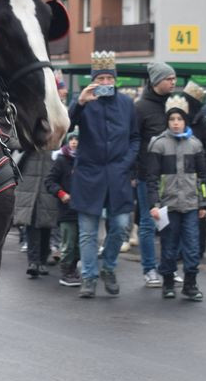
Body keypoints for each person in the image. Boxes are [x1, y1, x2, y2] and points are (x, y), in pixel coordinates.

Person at [68, 51, 140, 299]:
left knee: (120, 227)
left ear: (115, 80)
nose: (106, 83)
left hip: (117, 174)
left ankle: (108, 267)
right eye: (102, 79)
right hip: (89, 174)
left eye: (110, 78)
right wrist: (80, 103)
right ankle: (88, 277)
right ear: (94, 81)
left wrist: (126, 163)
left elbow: (135, 138)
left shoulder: (127, 104)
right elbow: (65, 126)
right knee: (87, 231)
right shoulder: (85, 101)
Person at [146, 95, 206, 301]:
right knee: (169, 245)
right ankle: (168, 282)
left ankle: (190, 283)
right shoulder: (158, 145)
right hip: (168, 205)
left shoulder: (195, 144)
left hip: (191, 204)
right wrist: (154, 203)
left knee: (192, 245)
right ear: (167, 121)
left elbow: (202, 176)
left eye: (179, 119)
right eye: (172, 119)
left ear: (185, 121)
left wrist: (204, 201)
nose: (175, 123)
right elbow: (152, 178)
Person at [134, 60, 177, 287]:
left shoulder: (172, 106)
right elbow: (134, 140)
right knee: (150, 222)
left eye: (173, 78)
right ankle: (149, 269)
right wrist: (135, 170)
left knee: (172, 223)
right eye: (169, 79)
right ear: (157, 81)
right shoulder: (141, 108)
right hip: (147, 174)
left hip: (172, 175)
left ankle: (168, 268)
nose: (173, 82)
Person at [180, 81, 206, 259]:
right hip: (180, 174)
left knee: (200, 211)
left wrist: (203, 162)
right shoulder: (179, 119)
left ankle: (199, 247)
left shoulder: (201, 121)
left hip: (199, 175)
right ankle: (183, 247)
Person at [14, 148, 60, 278]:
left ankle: (42, 260)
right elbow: (14, 165)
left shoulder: (55, 147)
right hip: (29, 190)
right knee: (32, 225)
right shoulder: (27, 145)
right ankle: (33, 262)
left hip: (48, 191)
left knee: (46, 226)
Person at [46, 131, 80, 286]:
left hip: (83, 208)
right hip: (66, 209)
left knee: (80, 243)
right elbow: (50, 181)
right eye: (71, 139)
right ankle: (66, 271)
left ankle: (73, 268)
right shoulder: (61, 160)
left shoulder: (85, 159)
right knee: (69, 242)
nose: (74, 142)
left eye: (77, 139)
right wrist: (61, 193)